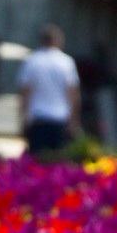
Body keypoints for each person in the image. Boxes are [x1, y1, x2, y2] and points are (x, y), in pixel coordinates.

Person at [18, 24, 81, 155]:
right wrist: (74, 121)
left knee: (35, 163)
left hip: (38, 118)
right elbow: (73, 93)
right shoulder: (66, 61)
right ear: (58, 40)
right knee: (57, 163)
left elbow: (25, 93)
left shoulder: (32, 60)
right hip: (60, 118)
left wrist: (23, 119)